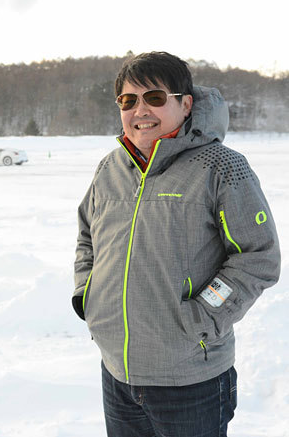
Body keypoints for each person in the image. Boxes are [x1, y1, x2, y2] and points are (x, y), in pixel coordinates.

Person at [73, 51, 280, 436]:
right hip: (117, 374)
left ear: (185, 104)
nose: (140, 110)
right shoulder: (109, 168)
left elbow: (258, 257)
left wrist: (200, 318)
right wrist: (89, 293)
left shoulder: (220, 167)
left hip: (191, 381)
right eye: (128, 100)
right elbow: (87, 235)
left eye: (154, 98)